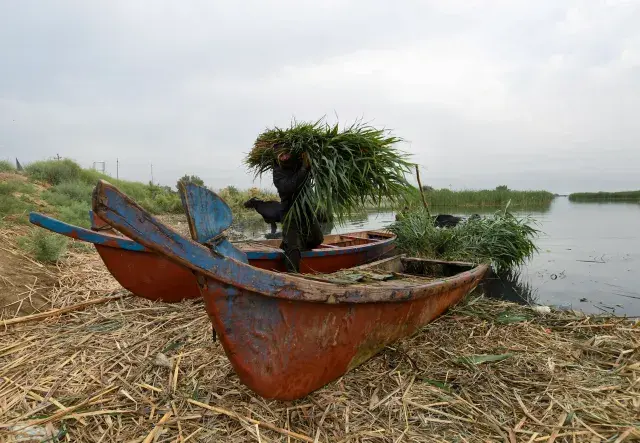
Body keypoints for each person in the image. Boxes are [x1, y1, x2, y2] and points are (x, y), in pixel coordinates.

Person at [273, 150, 324, 272]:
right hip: (289, 212)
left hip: (305, 209)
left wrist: (309, 165)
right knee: (293, 248)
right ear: (278, 158)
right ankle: (293, 275)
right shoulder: (278, 171)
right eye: (281, 156)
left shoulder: (300, 164)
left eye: (287, 154)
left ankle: (289, 243)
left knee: (317, 238)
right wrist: (303, 170)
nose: (285, 157)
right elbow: (289, 187)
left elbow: (312, 175)